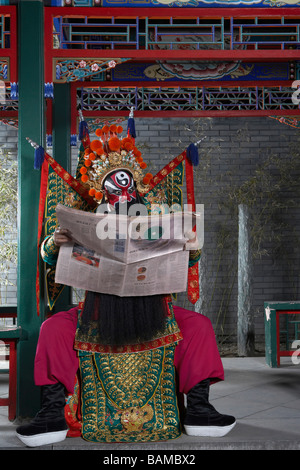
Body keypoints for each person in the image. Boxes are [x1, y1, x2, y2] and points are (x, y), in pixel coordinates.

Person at [16, 126, 236, 447]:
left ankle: (199, 408)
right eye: (113, 185)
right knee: (53, 330)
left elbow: (187, 261)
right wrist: (56, 241)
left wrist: (191, 246)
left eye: (126, 182)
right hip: (97, 312)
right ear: (100, 189)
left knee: (199, 327)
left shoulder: (158, 215)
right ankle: (51, 411)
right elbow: (49, 257)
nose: (121, 191)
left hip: (154, 309)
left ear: (134, 183)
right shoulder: (86, 217)